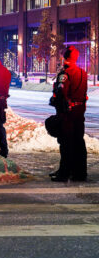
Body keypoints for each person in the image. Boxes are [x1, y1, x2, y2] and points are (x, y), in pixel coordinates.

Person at [50, 47, 88, 182]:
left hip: (67, 113)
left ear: (64, 57)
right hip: (79, 112)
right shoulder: (83, 73)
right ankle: (80, 172)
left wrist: (54, 100)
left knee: (66, 143)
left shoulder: (64, 74)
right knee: (79, 142)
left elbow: (61, 93)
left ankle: (64, 172)